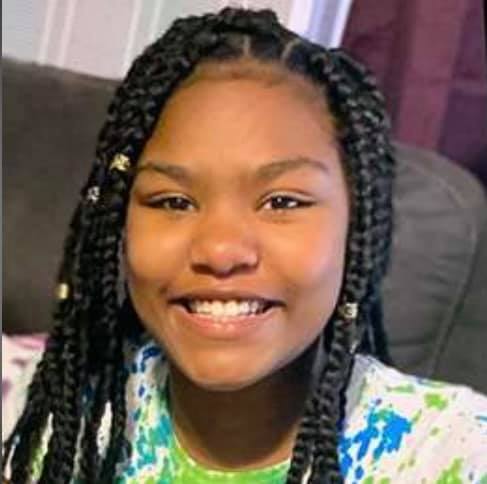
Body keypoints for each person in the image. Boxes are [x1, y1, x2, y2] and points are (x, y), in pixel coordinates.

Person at [2, 7, 486, 484]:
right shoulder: (58, 406)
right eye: (173, 201)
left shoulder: (457, 451)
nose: (220, 251)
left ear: (356, 229)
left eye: (281, 201)